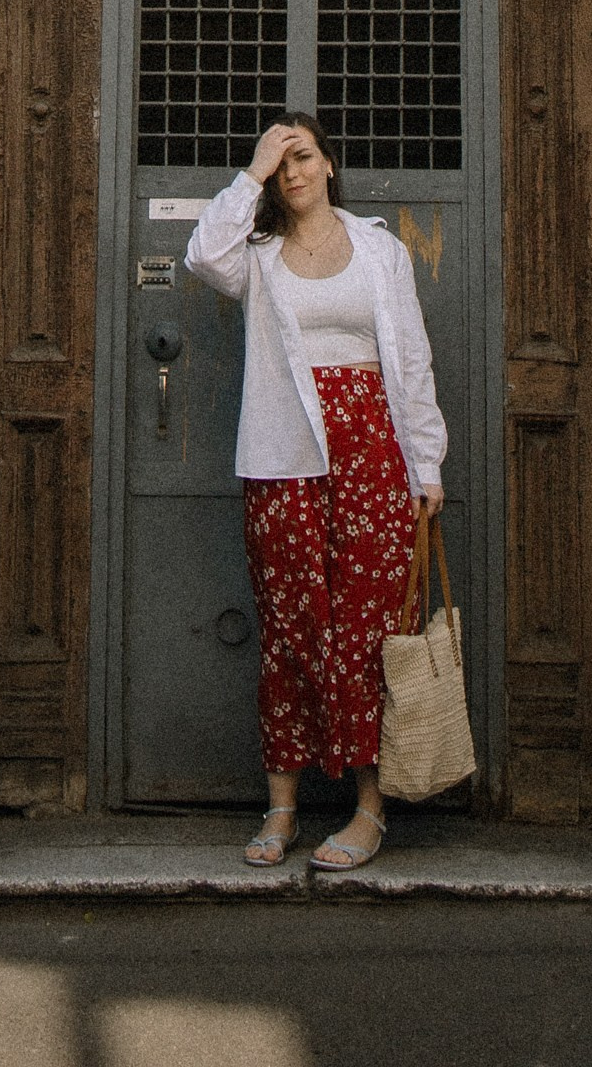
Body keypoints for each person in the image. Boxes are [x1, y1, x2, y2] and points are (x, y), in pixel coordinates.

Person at [185, 111, 446, 870]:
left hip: (375, 456)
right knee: (293, 627)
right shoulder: (256, 254)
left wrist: (425, 464)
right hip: (283, 458)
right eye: (279, 161)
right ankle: (283, 805)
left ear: (329, 165)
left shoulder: (379, 250)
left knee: (368, 630)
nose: (291, 171)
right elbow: (203, 255)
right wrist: (250, 173)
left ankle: (369, 810)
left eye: (301, 155)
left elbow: (413, 360)